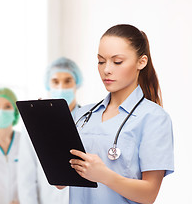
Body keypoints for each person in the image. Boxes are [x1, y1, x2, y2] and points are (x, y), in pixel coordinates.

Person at [58, 24, 174, 203]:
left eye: (117, 61)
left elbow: (149, 194)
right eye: (101, 61)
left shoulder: (154, 118)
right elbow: (61, 182)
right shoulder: (83, 114)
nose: (106, 70)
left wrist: (105, 176)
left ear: (141, 62)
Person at [18, 57, 83, 204]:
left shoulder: (89, 119)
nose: (61, 87)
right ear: (48, 84)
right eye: (55, 81)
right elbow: (26, 175)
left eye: (68, 81)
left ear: (76, 83)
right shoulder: (34, 121)